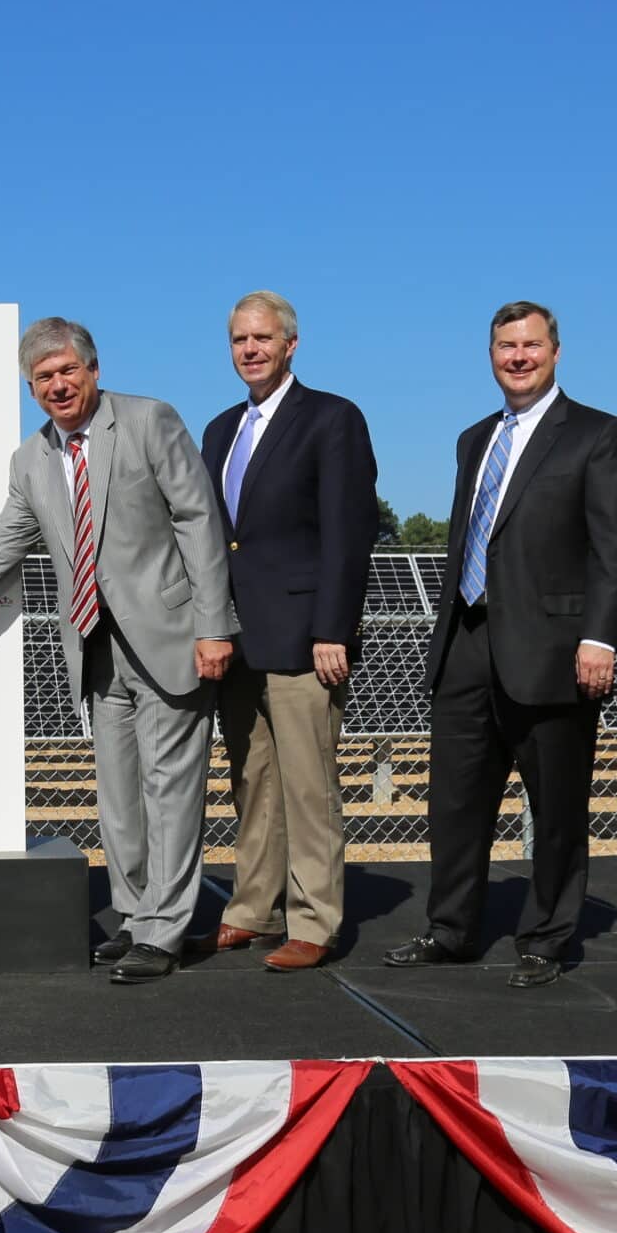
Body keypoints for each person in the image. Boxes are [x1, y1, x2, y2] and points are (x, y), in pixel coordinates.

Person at [0, 318, 235, 984]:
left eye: (68, 370)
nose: (58, 385)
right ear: (30, 387)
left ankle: (164, 930)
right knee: (119, 798)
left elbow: (199, 520)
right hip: (94, 648)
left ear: (94, 370)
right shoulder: (30, 460)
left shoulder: (151, 421)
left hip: (170, 639)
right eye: (43, 378)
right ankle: (133, 915)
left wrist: (215, 625)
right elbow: (3, 548)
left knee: (170, 791)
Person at [385, 301, 617, 986]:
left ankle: (548, 937)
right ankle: (451, 929)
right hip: (466, 639)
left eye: (530, 345)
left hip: (553, 648)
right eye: (506, 346)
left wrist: (600, 639)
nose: (518, 357)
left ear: (556, 352)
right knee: (456, 800)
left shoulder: (599, 434)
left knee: (555, 803)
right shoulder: (475, 439)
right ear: (491, 354)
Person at [193, 291, 377, 971]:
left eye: (262, 338)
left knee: (308, 787)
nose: (249, 349)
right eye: (239, 338)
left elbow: (348, 532)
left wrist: (334, 627)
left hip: (306, 637)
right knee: (253, 785)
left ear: (291, 344)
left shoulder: (331, 419)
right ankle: (252, 908)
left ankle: (315, 920)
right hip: (240, 639)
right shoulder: (219, 431)